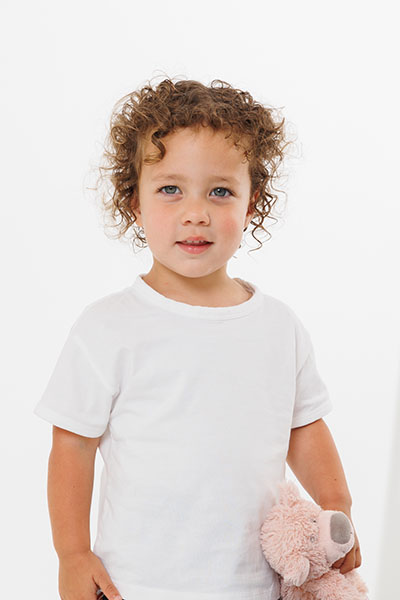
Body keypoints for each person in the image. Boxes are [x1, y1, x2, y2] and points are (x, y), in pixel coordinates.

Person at [34, 77, 362, 600]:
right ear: (134, 202)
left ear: (251, 204)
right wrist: (72, 553)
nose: (196, 213)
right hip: (136, 584)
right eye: (170, 189)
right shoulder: (108, 327)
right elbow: (72, 445)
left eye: (220, 191)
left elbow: (303, 425)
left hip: (253, 584)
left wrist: (336, 504)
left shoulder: (278, 326)